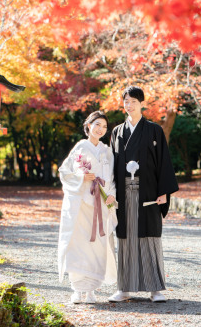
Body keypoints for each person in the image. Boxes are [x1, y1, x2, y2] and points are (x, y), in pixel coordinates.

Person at [109, 86, 179, 303]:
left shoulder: (154, 130)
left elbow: (163, 162)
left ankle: (155, 288)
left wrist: (163, 192)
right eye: (126, 101)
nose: (128, 105)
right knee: (126, 238)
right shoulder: (117, 132)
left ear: (141, 103)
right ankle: (124, 288)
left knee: (149, 237)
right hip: (124, 192)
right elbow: (111, 165)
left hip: (148, 192)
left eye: (132, 101)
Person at [58, 111, 117, 304]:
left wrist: (111, 195)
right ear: (88, 125)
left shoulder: (107, 151)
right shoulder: (80, 147)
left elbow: (113, 179)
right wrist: (81, 177)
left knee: (98, 248)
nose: (100, 129)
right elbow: (64, 172)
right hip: (82, 204)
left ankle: (91, 290)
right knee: (79, 245)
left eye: (104, 127)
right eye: (97, 124)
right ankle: (77, 290)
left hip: (101, 206)